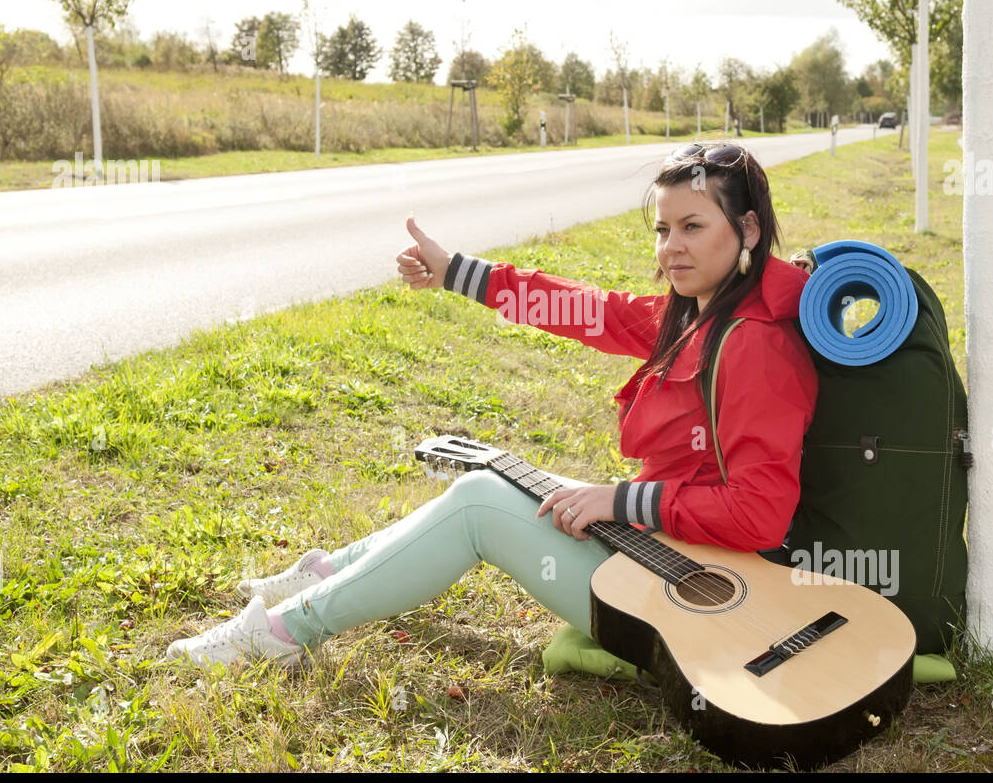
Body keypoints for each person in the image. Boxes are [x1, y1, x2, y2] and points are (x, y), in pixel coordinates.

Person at [164, 142, 818, 669]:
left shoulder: (755, 343)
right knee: (482, 485)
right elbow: (583, 310)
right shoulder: (704, 312)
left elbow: (760, 514)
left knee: (479, 504)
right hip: (658, 545)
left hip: (689, 599)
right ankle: (320, 578)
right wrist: (454, 271)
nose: (670, 246)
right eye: (662, 228)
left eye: (693, 226)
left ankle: (279, 636)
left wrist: (619, 500)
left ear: (748, 227)